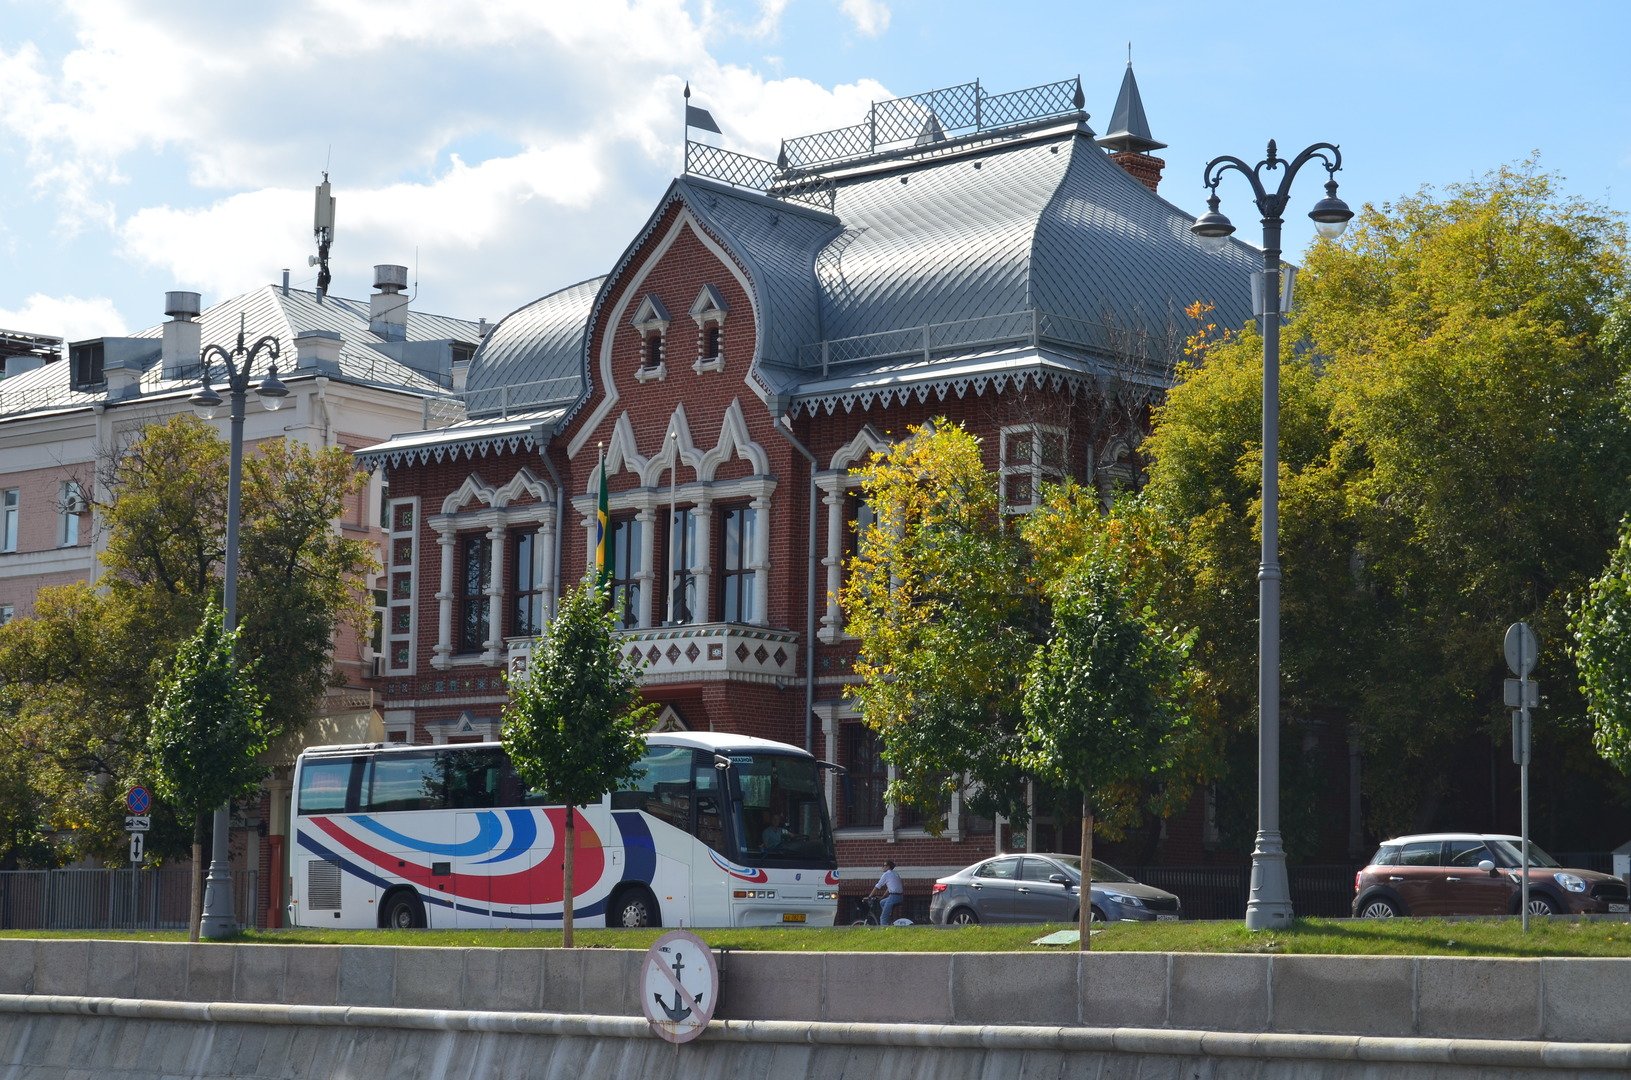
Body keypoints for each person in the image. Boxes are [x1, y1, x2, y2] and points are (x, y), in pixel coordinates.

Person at [867, 860, 904, 925]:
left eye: (884, 865)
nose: (882, 867)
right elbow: (889, 888)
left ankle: (884, 930)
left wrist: (869, 896)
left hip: (893, 897)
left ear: (888, 867)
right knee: (882, 902)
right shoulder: (895, 873)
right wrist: (882, 897)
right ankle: (888, 915)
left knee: (883, 918)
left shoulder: (886, 874)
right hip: (899, 897)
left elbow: (877, 886)